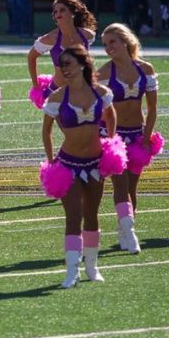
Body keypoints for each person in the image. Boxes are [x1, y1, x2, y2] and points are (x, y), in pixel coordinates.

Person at [41, 45, 116, 288]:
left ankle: (92, 267)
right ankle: (71, 271)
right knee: (73, 216)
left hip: (95, 163)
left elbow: (111, 115)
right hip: (68, 165)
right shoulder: (57, 96)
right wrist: (51, 158)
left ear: (82, 65)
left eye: (69, 64)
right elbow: (46, 130)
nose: (65, 69)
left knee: (92, 215)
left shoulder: (100, 93)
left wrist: (110, 143)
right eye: (62, 65)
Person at [97, 24, 158, 253]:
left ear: (125, 41)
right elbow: (97, 110)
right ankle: (130, 233)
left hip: (137, 134)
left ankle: (124, 230)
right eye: (105, 44)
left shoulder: (145, 69)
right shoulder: (103, 73)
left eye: (112, 42)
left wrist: (146, 135)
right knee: (120, 186)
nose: (108, 48)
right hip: (113, 135)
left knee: (132, 188)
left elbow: (152, 108)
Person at [28, 0, 97, 102]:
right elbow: (31, 57)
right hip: (58, 93)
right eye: (56, 11)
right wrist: (36, 86)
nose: (58, 13)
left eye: (62, 10)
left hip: (82, 91)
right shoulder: (51, 38)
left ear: (72, 13)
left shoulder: (86, 35)